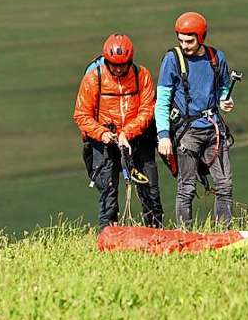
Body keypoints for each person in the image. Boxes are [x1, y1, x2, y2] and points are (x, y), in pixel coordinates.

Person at [74, 34, 163, 230]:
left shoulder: (142, 76)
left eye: (123, 64)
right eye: (113, 64)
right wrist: (102, 133)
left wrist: (127, 133)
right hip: (104, 141)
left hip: (137, 140)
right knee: (108, 191)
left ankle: (156, 233)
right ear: (106, 60)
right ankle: (108, 235)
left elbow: (148, 109)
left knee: (150, 190)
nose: (118, 69)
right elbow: (81, 115)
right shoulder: (93, 79)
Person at [155, 12, 236, 227]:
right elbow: (162, 100)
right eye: (180, 40)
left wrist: (225, 101)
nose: (185, 45)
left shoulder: (216, 58)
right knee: (186, 188)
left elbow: (224, 87)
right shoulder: (172, 59)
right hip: (187, 133)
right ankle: (185, 235)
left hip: (214, 129)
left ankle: (223, 233)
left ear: (201, 38)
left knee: (224, 185)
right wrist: (163, 135)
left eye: (189, 41)